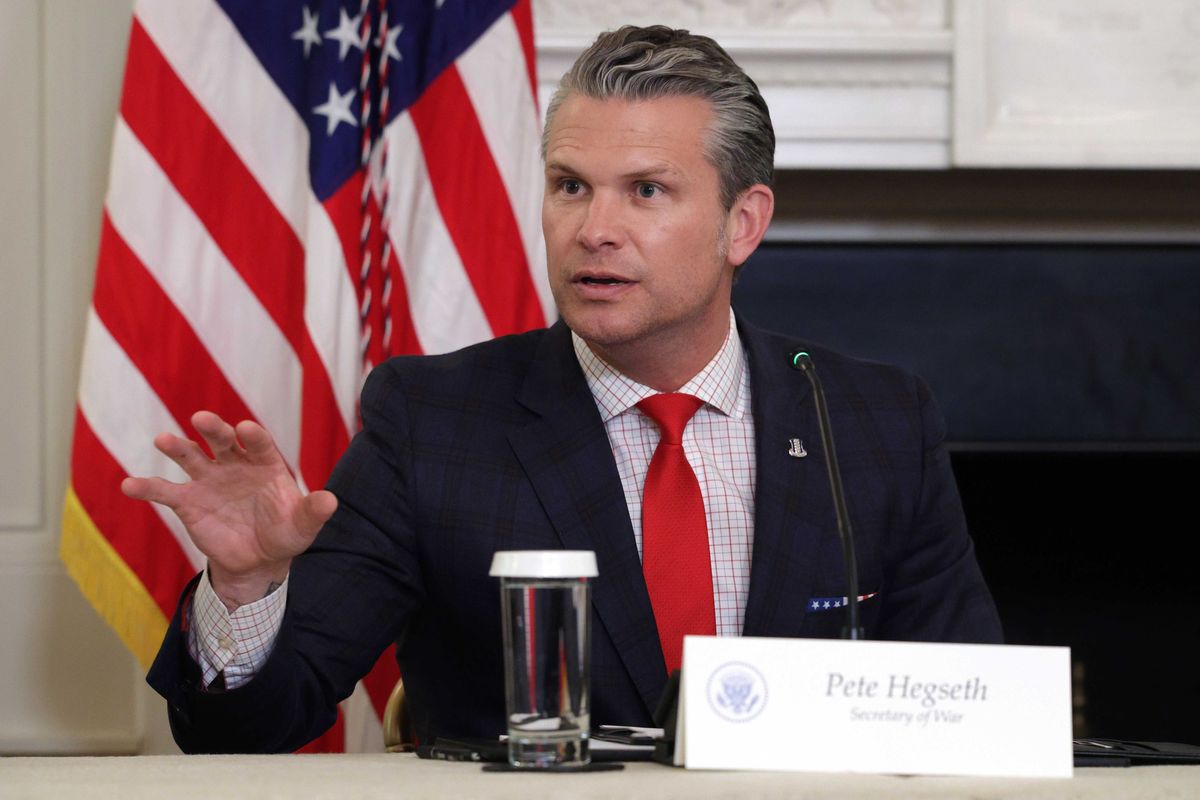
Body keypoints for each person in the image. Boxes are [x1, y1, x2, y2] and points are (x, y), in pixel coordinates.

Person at [130, 25, 1002, 754]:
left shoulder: (873, 421)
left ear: (743, 224)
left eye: (646, 192)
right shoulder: (433, 422)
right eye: (570, 187)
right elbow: (248, 727)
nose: (594, 230)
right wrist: (246, 591)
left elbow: (970, 710)